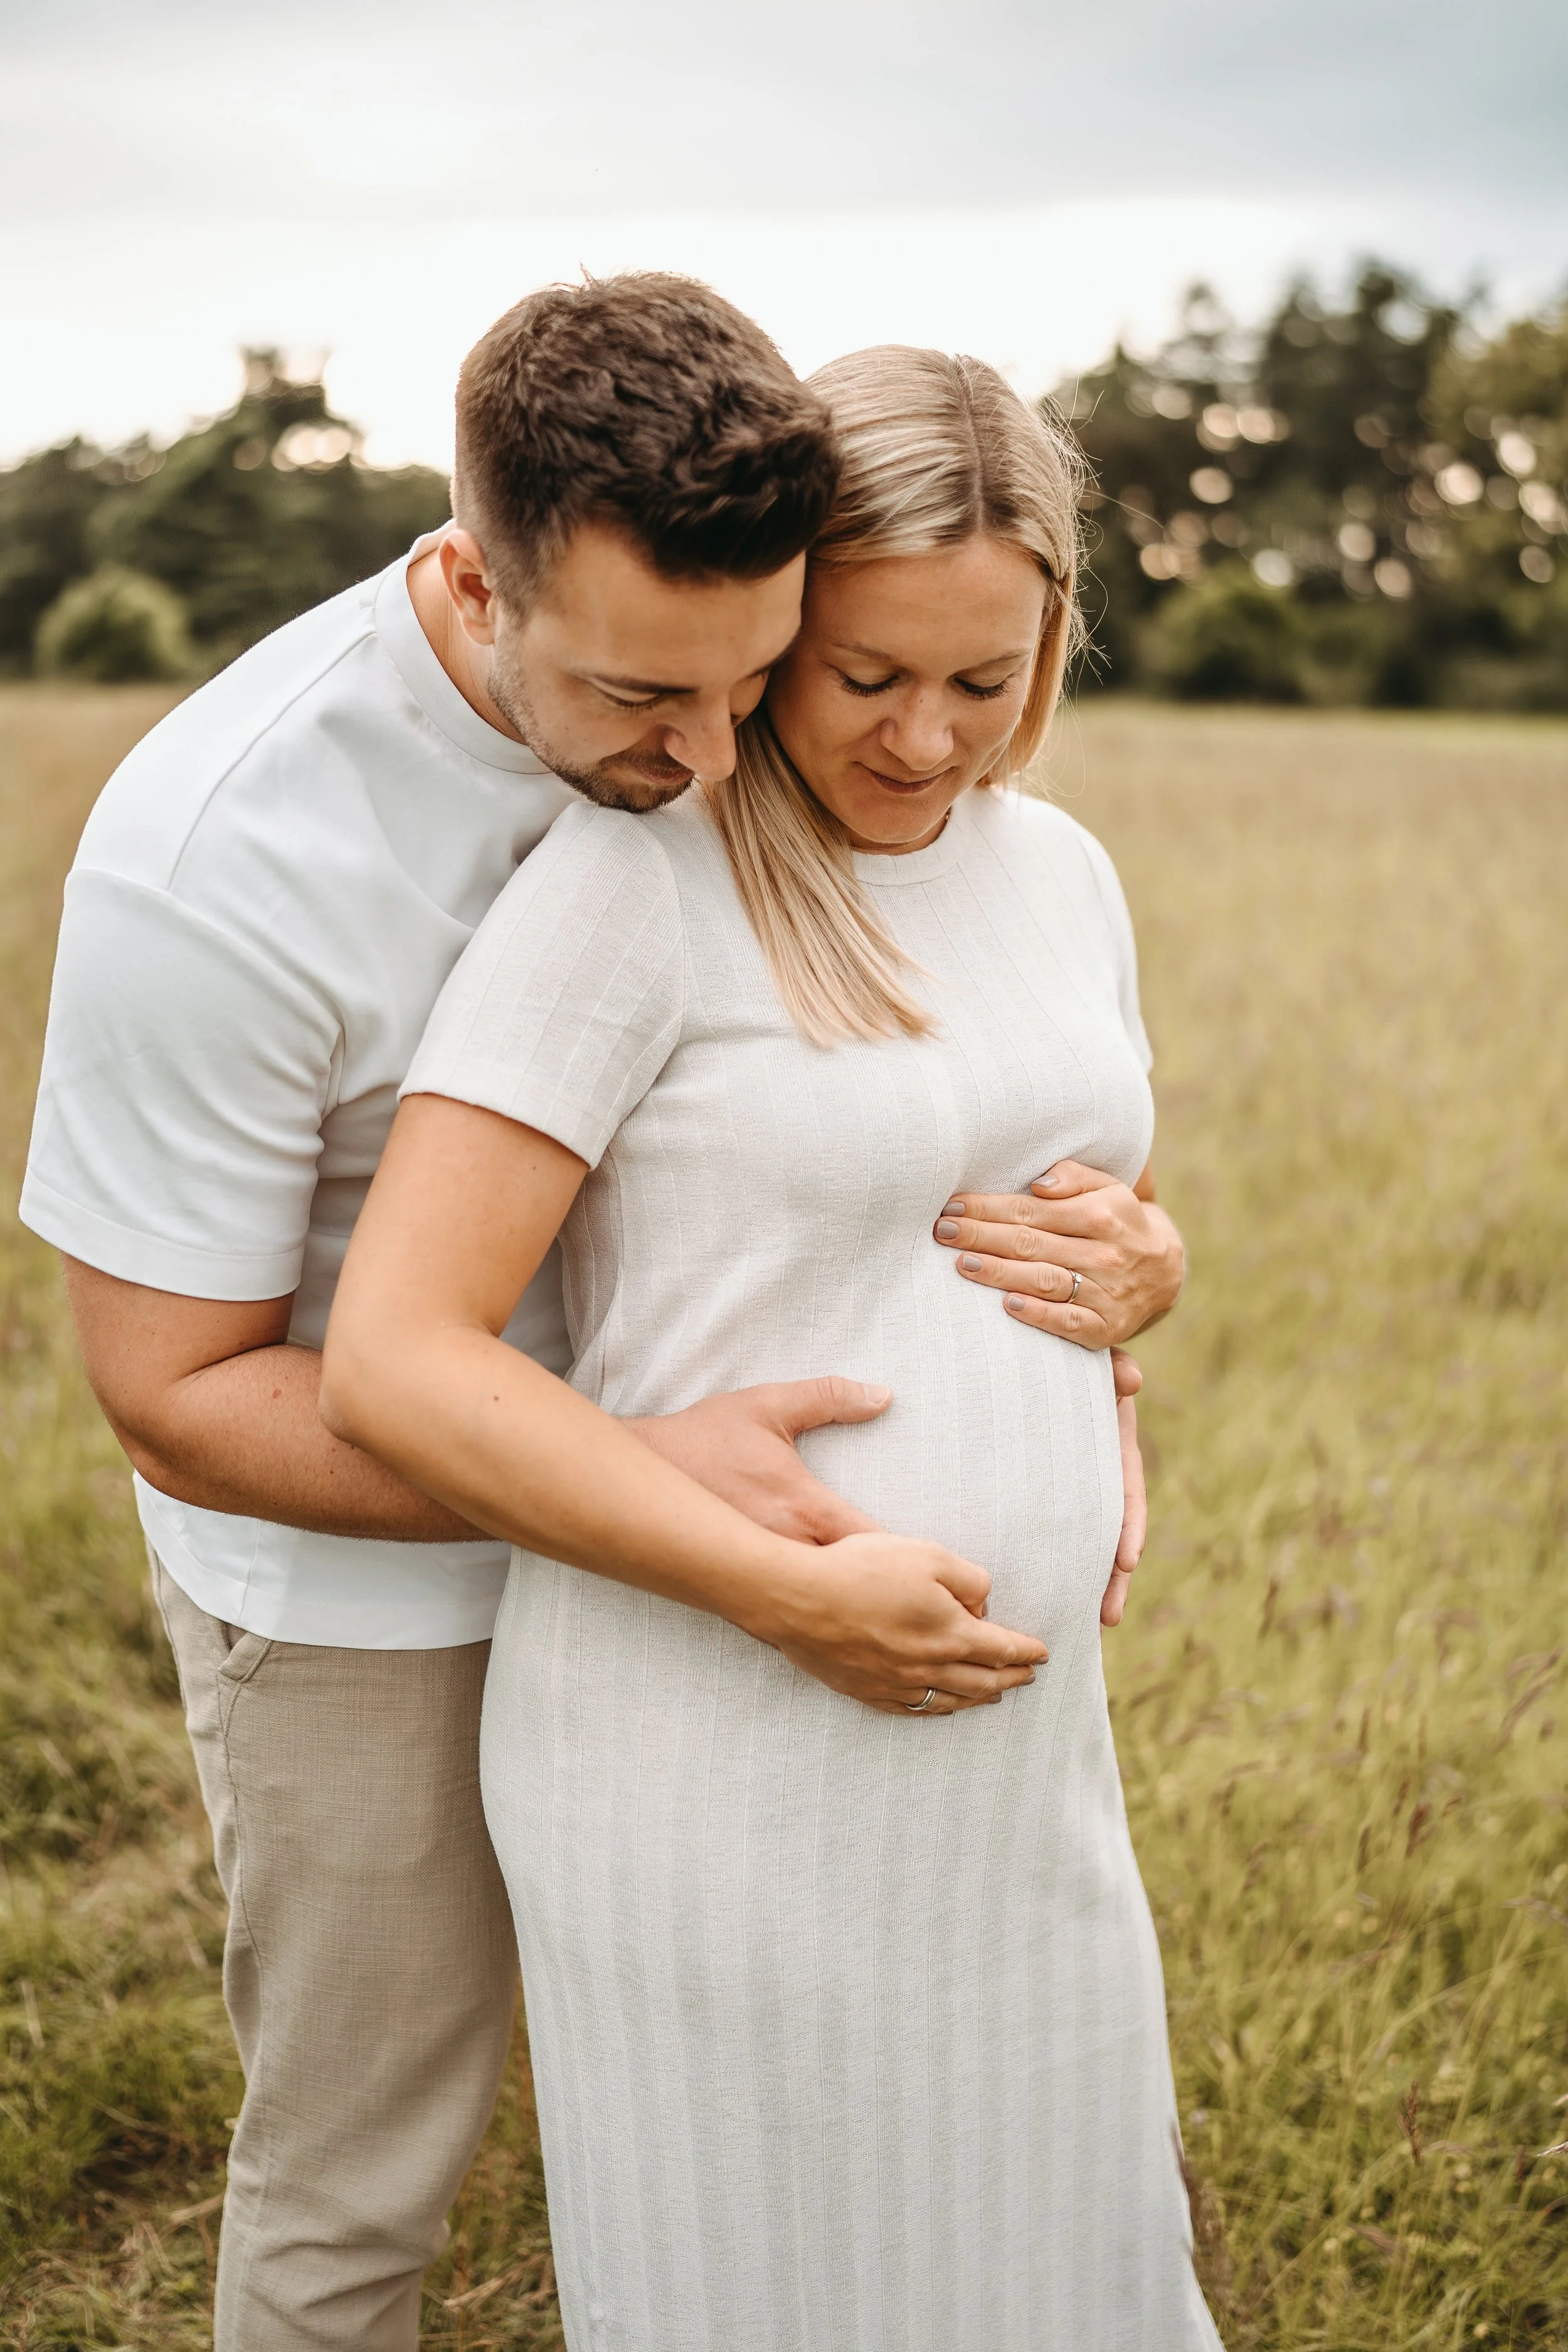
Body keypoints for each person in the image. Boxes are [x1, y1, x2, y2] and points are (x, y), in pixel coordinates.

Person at [19, 280, 1183, 2350]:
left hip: (746, 1599)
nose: (727, 756)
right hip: (367, 1576)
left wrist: (1119, 1284)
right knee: (374, 2153)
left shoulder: (772, 753)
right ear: (477, 587)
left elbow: (913, 1140)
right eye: (658, 697)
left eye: (765, 680)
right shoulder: (222, 862)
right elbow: (178, 1392)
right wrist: (673, 1500)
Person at [322, 344, 1217, 2350]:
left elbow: (1013, 1204)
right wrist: (785, 1596)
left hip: (1012, 1752)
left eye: (982, 679)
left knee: (1044, 2252)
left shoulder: (1058, 875)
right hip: (706, 1724)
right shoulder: (632, 886)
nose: (924, 739)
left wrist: (1131, 1302)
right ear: (778, 624)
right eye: (868, 673)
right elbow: (393, 1353)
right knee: (784, 2277)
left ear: (1052, 639)